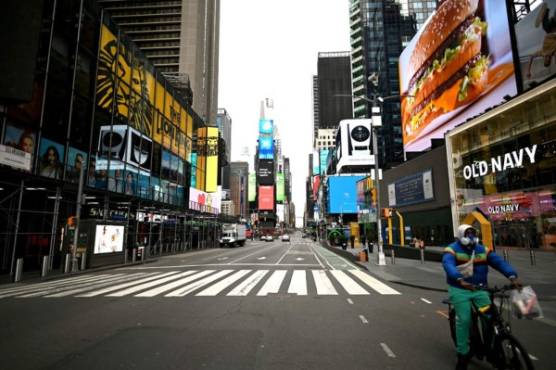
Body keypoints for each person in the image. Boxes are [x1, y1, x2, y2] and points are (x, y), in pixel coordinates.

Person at [442, 224, 521, 370]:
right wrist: (459, 279)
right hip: (460, 289)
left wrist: (512, 276)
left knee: (490, 318)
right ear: (460, 236)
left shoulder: (482, 250)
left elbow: (498, 262)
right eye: (467, 234)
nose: (471, 237)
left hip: (480, 289)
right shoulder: (451, 250)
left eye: (473, 233)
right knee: (464, 320)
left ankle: (491, 349)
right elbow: (448, 265)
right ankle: (462, 354)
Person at [526, 2, 556, 79]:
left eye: (545, 59)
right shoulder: (554, 52)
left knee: (545, 26)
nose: (547, 57)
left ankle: (546, 11)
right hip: (553, 30)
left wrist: (528, 71)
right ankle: (546, 13)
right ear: (550, 59)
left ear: (544, 59)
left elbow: (531, 57)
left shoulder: (542, 53)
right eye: (548, 59)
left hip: (548, 29)